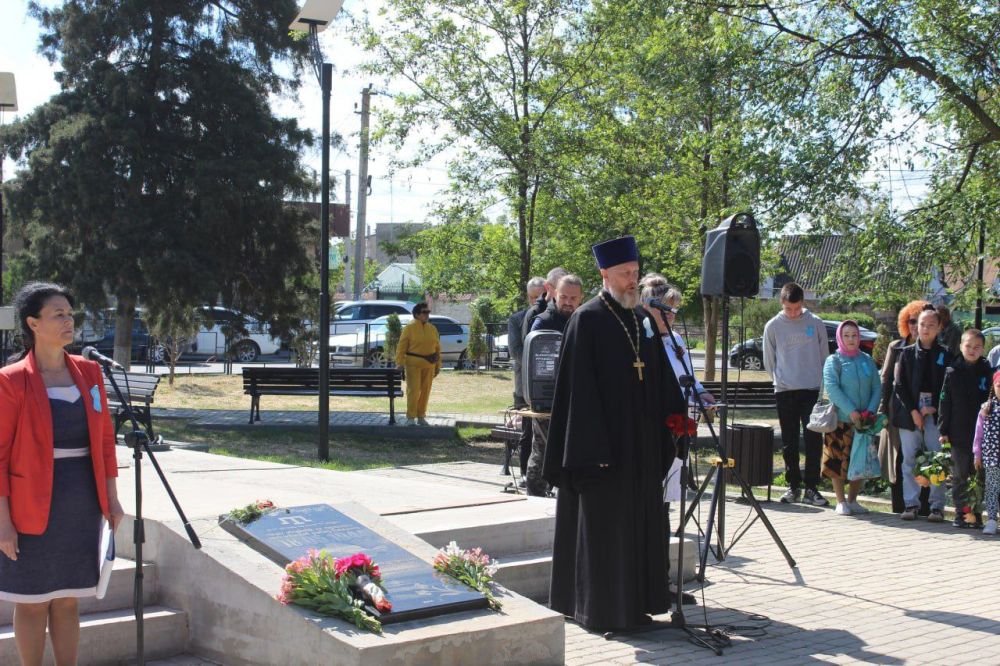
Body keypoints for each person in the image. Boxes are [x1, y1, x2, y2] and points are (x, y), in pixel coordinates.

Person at [543, 236, 685, 632]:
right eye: (625, 274)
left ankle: (638, 605)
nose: (631, 282)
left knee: (639, 526)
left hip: (639, 447)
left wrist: (672, 419)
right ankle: (601, 610)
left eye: (636, 274)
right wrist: (592, 448)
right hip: (603, 450)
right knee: (606, 530)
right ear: (605, 274)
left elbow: (655, 374)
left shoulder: (641, 319)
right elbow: (578, 392)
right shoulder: (586, 319)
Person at [0, 282, 124, 666]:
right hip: (30, 506)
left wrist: (113, 498)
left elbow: (104, 441)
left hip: (81, 503)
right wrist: (3, 523)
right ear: (33, 323)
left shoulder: (89, 372)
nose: (68, 321)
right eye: (58, 314)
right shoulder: (11, 379)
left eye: (70, 314)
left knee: (69, 599)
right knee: (33, 601)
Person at [763, 282, 830, 506]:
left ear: (803, 303)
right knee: (789, 440)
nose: (793, 313)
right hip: (785, 390)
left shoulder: (815, 323)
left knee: (813, 439)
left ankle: (812, 487)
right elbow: (769, 360)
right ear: (781, 303)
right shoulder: (773, 326)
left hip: (811, 389)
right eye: (789, 309)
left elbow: (824, 357)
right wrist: (780, 379)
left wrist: (821, 385)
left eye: (797, 308)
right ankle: (793, 487)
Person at [524, 274, 584, 496]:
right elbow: (534, 362)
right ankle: (536, 496)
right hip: (546, 399)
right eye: (564, 296)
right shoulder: (543, 321)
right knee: (543, 449)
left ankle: (563, 496)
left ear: (581, 298)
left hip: (573, 399)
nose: (568, 302)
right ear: (555, 294)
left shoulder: (582, 319)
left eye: (573, 298)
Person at [894, 307, 952, 522]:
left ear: (939, 328)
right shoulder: (906, 353)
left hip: (936, 412)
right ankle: (911, 504)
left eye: (931, 325)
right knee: (909, 458)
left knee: (937, 459)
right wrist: (914, 411)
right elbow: (899, 385)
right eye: (922, 324)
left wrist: (934, 407)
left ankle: (937, 506)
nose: (926, 329)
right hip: (910, 411)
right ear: (916, 326)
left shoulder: (945, 355)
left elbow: (949, 387)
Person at [821, 321, 882, 516]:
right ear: (840, 337)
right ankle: (840, 501)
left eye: (854, 335)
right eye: (846, 335)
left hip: (864, 422)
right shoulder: (834, 360)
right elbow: (832, 388)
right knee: (837, 461)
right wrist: (852, 411)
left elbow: (876, 387)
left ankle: (853, 500)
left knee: (861, 461)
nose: (851, 339)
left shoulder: (866, 360)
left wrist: (870, 412)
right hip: (842, 419)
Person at [879, 300, 931, 514]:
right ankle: (901, 505)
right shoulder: (896, 347)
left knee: (925, 457)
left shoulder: (935, 350)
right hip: (898, 411)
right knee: (899, 458)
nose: (914, 326)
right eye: (910, 321)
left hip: (927, 413)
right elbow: (886, 379)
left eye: (918, 321)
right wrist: (883, 410)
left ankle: (925, 506)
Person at [938, 329, 991, 527]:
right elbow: (944, 402)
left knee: (978, 475)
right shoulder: (952, 371)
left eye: (977, 347)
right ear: (960, 346)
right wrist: (943, 431)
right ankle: (961, 513)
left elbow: (992, 399)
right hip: (957, 432)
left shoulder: (987, 370)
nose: (972, 350)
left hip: (981, 434)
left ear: (982, 349)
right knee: (960, 474)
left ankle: (975, 513)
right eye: (968, 346)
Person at [508, 277, 545, 476]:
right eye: (532, 297)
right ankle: (525, 473)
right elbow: (516, 351)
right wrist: (539, 360)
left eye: (539, 296)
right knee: (528, 432)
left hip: (548, 387)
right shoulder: (517, 319)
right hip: (525, 386)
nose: (535, 301)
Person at [395, 302, 442, 426]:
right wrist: (399, 363)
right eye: (424, 312)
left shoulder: (432, 328)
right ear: (417, 314)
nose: (427, 315)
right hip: (413, 364)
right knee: (414, 390)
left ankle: (421, 415)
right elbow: (401, 347)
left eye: (428, 312)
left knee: (426, 391)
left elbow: (437, 348)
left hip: (429, 364)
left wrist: (438, 365)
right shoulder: (409, 328)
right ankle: (411, 417)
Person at [973, 371, 1000, 535]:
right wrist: (977, 454)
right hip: (992, 457)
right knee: (992, 488)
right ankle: (991, 519)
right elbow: (979, 434)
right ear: (994, 387)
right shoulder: (986, 408)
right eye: (999, 386)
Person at [521, 266, 568, 342]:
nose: (567, 300)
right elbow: (528, 345)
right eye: (559, 289)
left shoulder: (574, 309)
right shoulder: (534, 312)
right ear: (547, 287)